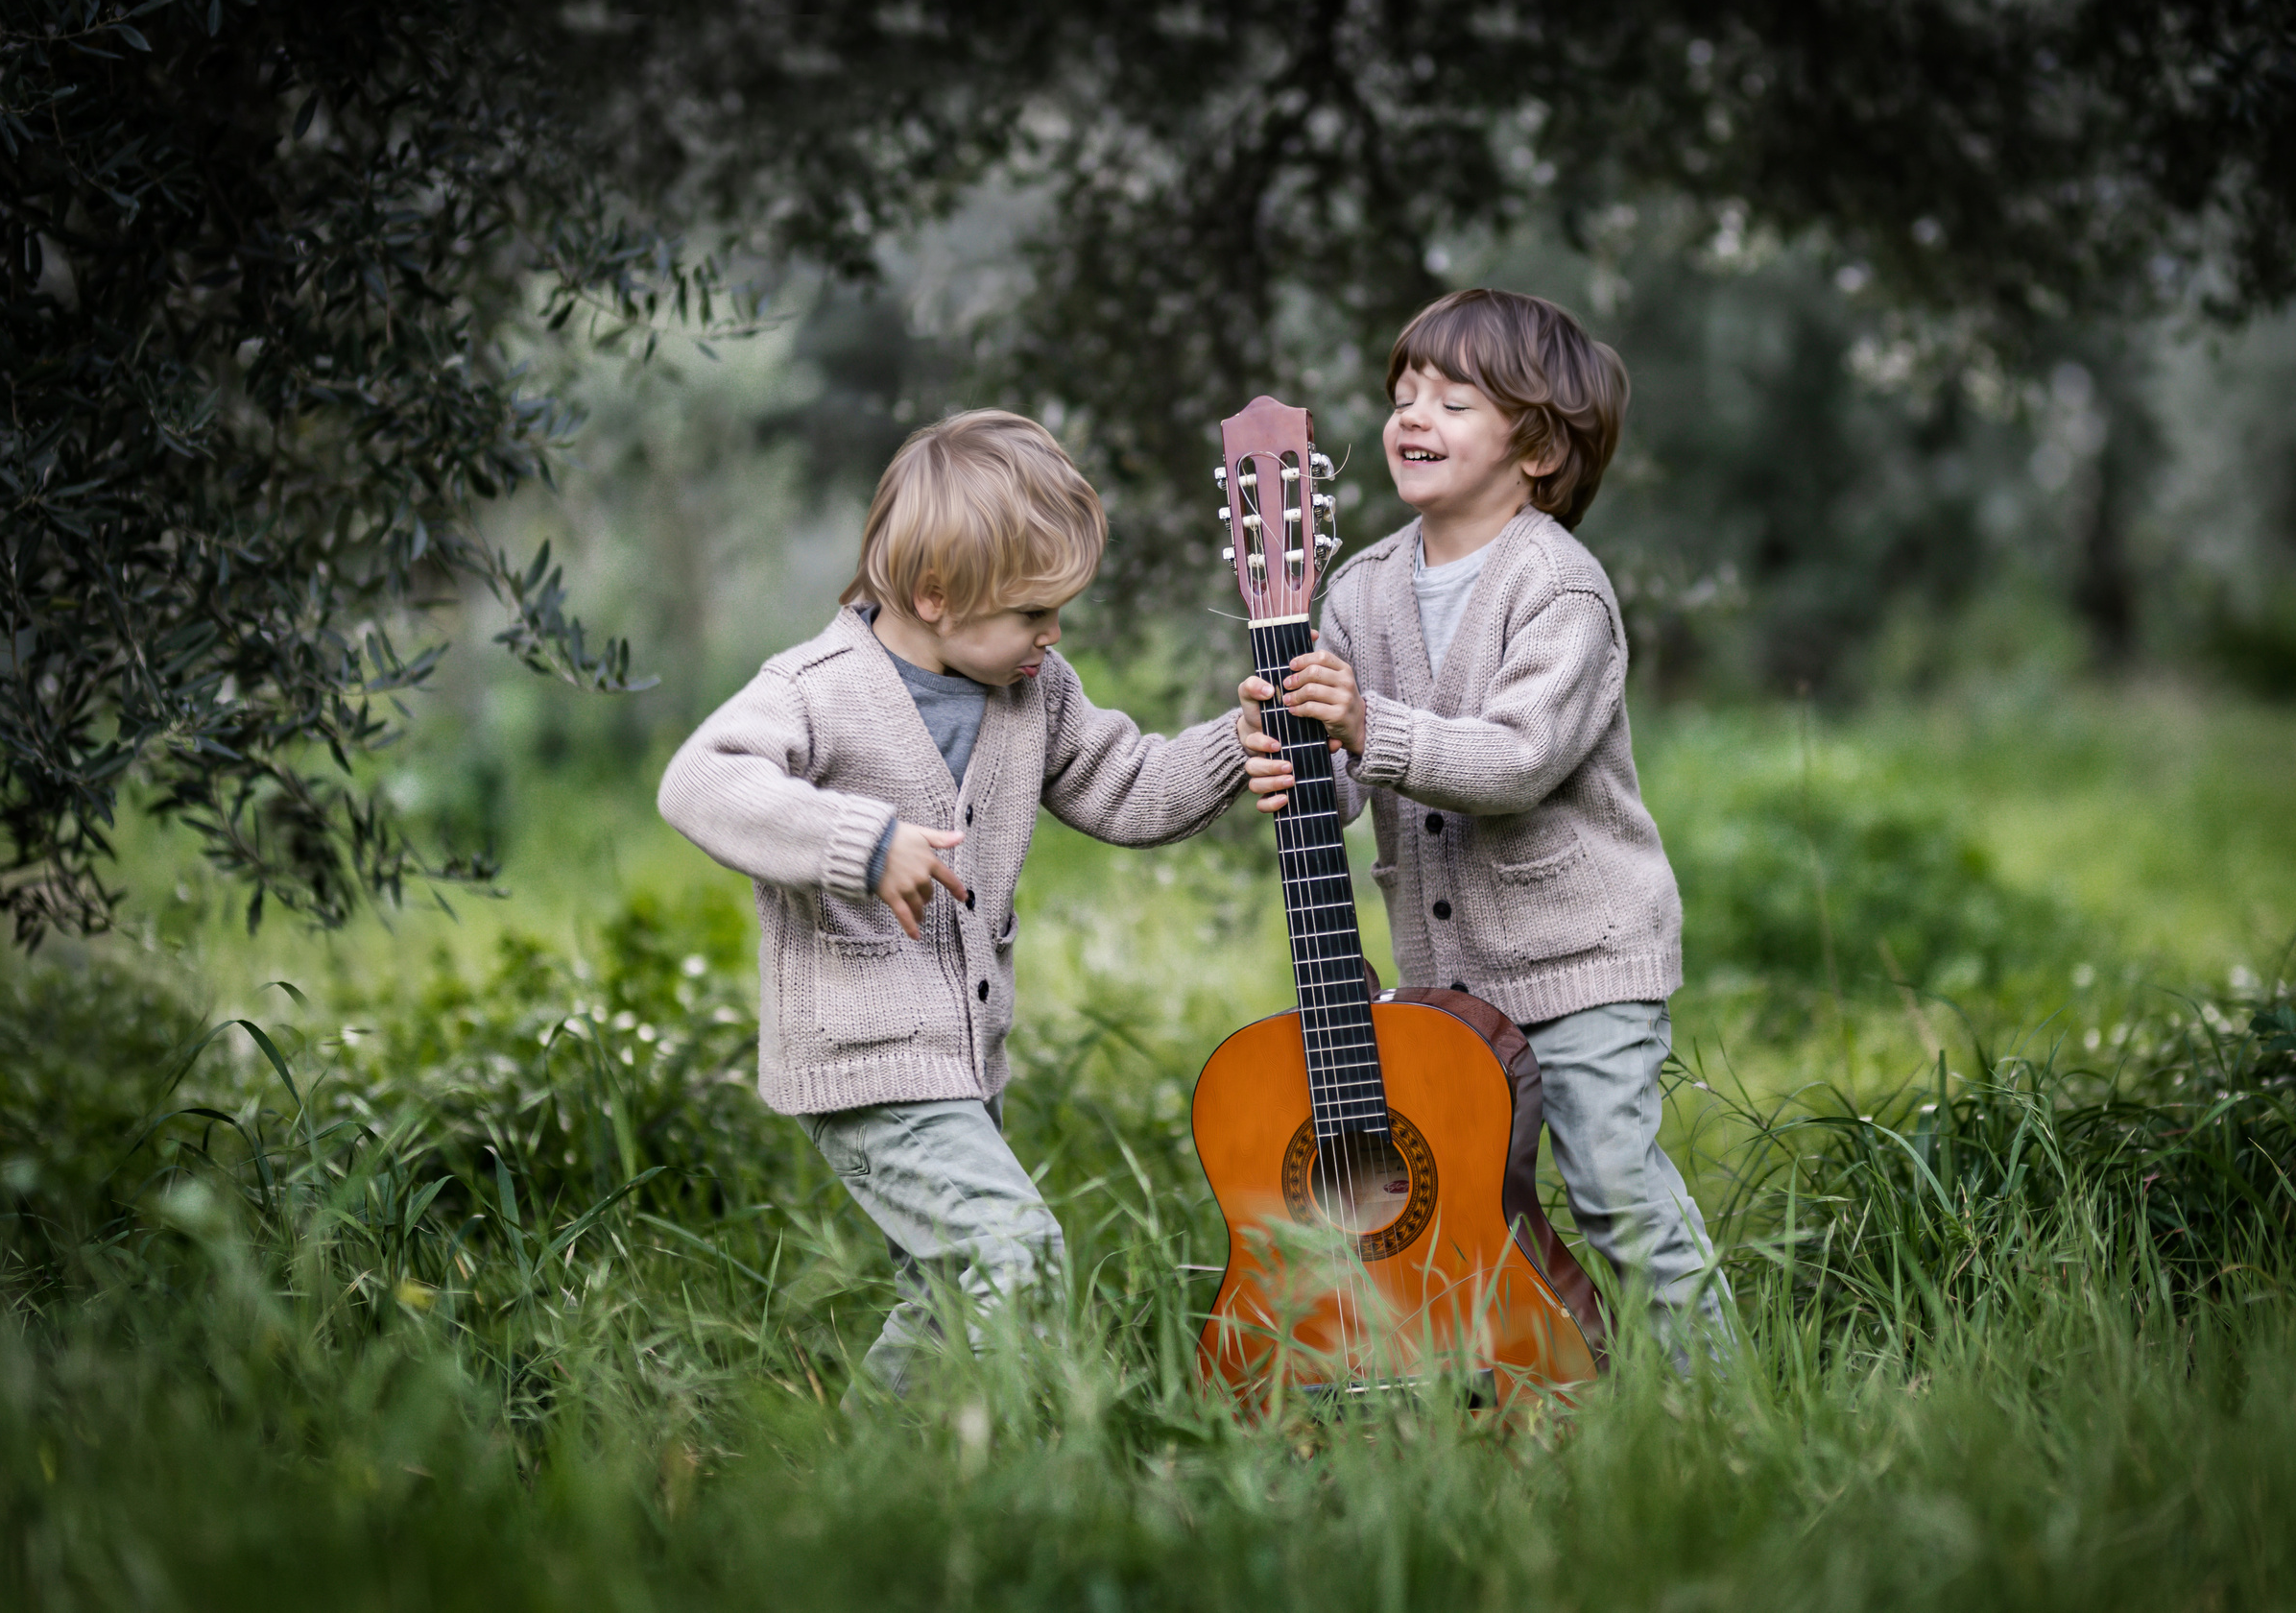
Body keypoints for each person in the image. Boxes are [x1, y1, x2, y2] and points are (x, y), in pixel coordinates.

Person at [660, 410, 1247, 1402]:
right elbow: (697, 782)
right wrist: (860, 841)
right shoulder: (817, 689)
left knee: (947, 1297)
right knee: (1015, 1254)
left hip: (962, 1056)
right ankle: (876, 1471)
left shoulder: (1032, 690)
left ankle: (875, 1476)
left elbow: (1132, 787)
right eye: (1032, 613)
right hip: (865, 1058)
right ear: (935, 595)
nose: (1053, 634)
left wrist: (1246, 736)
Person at [1234, 288, 1726, 1360]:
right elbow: (1350, 775)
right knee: (1460, 1207)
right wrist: (1295, 757)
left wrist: (1364, 720)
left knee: (1612, 1191)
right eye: (1404, 394)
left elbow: (1514, 762)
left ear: (1539, 447)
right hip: (1445, 985)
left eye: (1454, 401)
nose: (1414, 416)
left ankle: (1714, 1409)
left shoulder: (1559, 591)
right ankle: (1520, 1384)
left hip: (1579, 961)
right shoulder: (1358, 589)